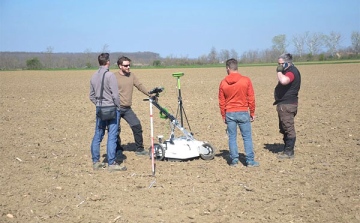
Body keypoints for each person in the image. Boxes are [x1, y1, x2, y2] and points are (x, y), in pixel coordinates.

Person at [219, 58, 259, 167]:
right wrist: (252, 112)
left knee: (232, 137)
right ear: (236, 67)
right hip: (243, 112)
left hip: (230, 113)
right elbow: (251, 97)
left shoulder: (223, 83)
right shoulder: (246, 80)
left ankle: (234, 160)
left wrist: (223, 115)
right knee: (247, 137)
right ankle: (250, 160)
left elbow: (221, 101)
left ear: (228, 68)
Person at [89, 53, 127, 172]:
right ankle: (112, 163)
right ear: (108, 62)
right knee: (112, 136)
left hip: (100, 109)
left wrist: (99, 104)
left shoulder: (93, 76)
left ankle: (96, 162)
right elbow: (115, 95)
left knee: (98, 135)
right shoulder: (110, 76)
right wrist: (118, 106)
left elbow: (91, 96)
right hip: (111, 108)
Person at [114, 56, 152, 157]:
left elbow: (139, 85)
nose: (128, 67)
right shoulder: (113, 77)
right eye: (126, 65)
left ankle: (139, 149)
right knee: (115, 130)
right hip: (115, 108)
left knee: (137, 126)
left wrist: (150, 94)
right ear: (120, 66)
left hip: (127, 108)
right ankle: (118, 150)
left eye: (129, 65)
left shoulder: (131, 76)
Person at [274, 53, 301, 159]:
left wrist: (279, 72)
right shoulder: (288, 71)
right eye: (278, 64)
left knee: (288, 128)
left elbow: (284, 81)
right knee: (284, 127)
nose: (279, 66)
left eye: (281, 64)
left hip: (288, 104)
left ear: (288, 63)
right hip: (284, 104)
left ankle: (289, 152)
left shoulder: (292, 72)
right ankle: (286, 149)